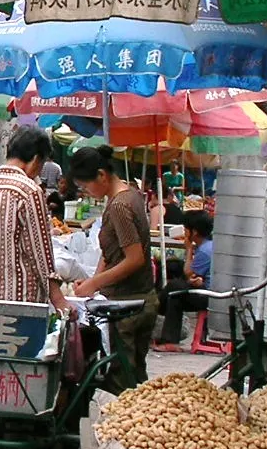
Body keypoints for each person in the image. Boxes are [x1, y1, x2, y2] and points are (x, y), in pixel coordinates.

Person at [71, 147, 159, 385]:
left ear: (101, 175)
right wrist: (94, 282)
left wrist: (94, 283)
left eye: (87, 186)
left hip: (131, 304)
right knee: (135, 376)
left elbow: (134, 258)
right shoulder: (129, 195)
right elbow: (111, 253)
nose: (87, 192)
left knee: (125, 381)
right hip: (136, 298)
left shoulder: (120, 206)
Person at [0, 128, 67, 309]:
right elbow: (41, 253)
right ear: (36, 159)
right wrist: (59, 300)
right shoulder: (29, 191)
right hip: (21, 300)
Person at [155, 211, 215, 351]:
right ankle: (169, 340)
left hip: (210, 296)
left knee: (174, 289)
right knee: (174, 292)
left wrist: (188, 249)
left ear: (193, 232)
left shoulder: (205, 250)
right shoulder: (208, 245)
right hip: (208, 289)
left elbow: (188, 273)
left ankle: (157, 309)